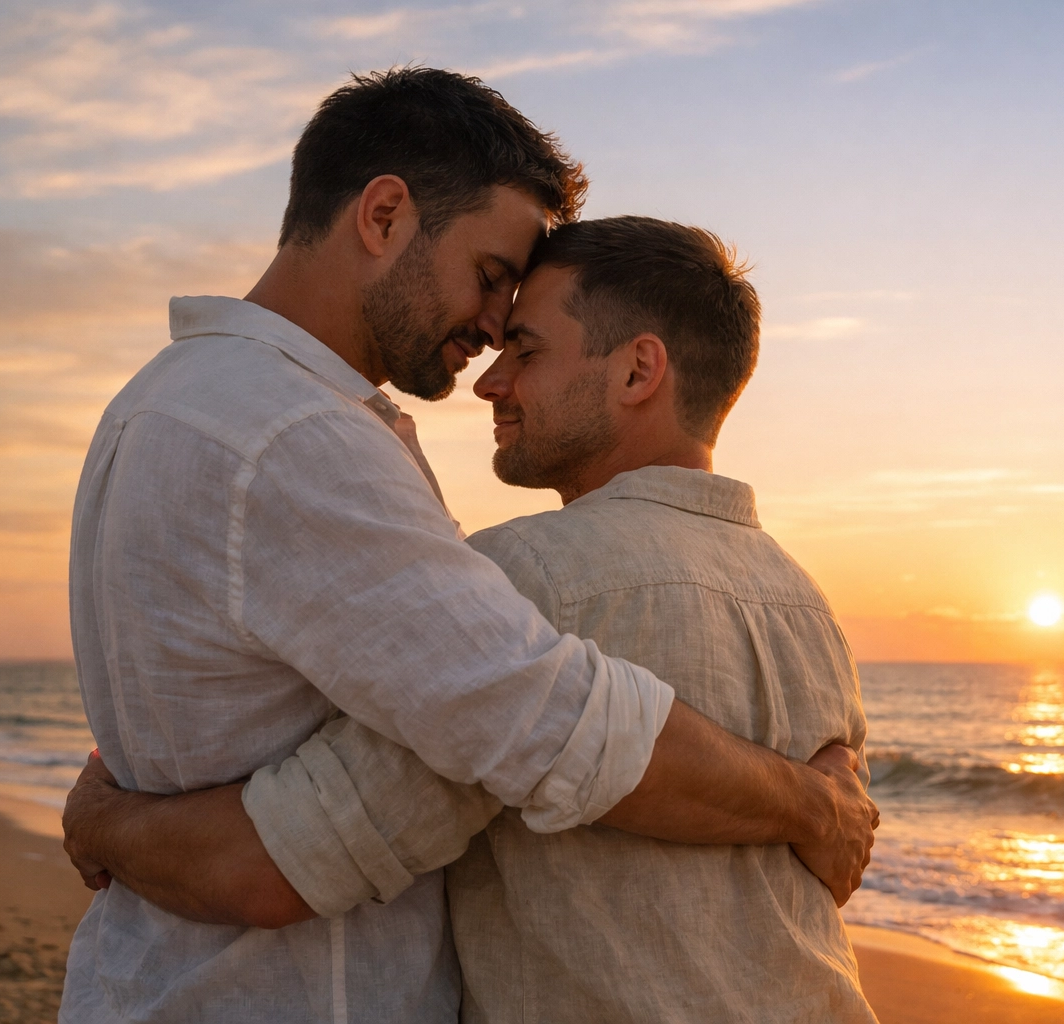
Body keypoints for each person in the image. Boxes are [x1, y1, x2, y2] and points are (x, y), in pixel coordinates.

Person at [61, 68, 875, 1024]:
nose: (492, 338)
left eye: (523, 334)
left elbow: (323, 781)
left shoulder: (176, 405)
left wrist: (113, 816)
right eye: (492, 278)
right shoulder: (289, 434)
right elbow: (553, 721)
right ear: (383, 216)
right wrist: (818, 807)